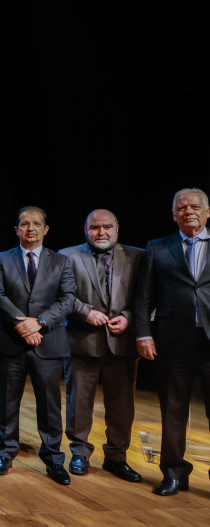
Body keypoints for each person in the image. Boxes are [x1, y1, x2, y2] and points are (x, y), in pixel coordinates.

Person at [135, 188, 210, 496]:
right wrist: (143, 333)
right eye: (181, 207)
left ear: (207, 212)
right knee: (173, 409)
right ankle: (174, 473)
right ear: (174, 214)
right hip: (172, 341)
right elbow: (143, 296)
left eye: (195, 206)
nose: (188, 211)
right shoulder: (157, 247)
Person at [59, 209, 143, 482]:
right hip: (81, 340)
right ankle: (80, 453)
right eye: (95, 227)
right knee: (78, 402)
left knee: (121, 406)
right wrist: (85, 312)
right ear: (85, 229)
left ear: (117, 228)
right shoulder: (67, 255)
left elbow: (147, 297)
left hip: (122, 343)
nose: (101, 232)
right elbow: (62, 295)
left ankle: (116, 457)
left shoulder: (138, 256)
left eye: (107, 227)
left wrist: (128, 318)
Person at [0, 206, 75, 484]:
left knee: (50, 407)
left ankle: (54, 459)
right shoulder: (0, 259)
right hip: (11, 342)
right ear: (16, 229)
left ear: (46, 229)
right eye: (25, 224)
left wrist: (38, 322)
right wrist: (22, 326)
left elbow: (68, 299)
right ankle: (5, 453)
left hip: (48, 343)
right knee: (7, 404)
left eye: (36, 224)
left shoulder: (61, 261)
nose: (30, 228)